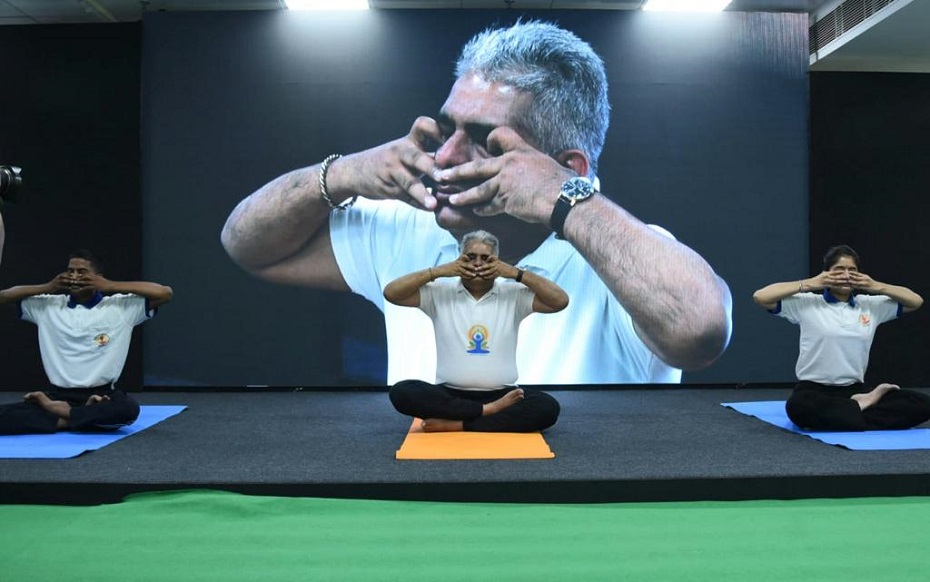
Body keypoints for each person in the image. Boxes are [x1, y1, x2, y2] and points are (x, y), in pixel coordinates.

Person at [221, 20, 732, 386]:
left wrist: (565, 197)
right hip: (427, 495)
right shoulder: (411, 227)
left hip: (572, 503)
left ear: (566, 168)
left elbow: (701, 332)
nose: (445, 155)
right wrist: (344, 174)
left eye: (483, 139)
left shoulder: (627, 256)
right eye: (448, 129)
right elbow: (247, 245)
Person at [385, 230, 567, 432]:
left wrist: (516, 273)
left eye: (486, 258)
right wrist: (439, 271)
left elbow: (559, 301)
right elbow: (392, 293)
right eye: (470, 257)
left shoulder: (514, 294)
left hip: (503, 394)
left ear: (498, 262)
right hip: (449, 394)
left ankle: (460, 423)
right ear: (458, 259)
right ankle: (486, 412)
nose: (478, 264)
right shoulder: (439, 292)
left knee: (546, 407)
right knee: (402, 392)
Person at [752, 244, 930, 431]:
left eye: (852, 270)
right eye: (839, 270)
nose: (846, 275)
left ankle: (851, 412)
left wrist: (876, 286)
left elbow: (915, 301)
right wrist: (810, 283)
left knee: (921, 403)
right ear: (826, 273)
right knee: (798, 407)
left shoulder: (870, 305)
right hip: (814, 391)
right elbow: (761, 297)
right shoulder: (807, 303)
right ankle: (859, 409)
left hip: (854, 390)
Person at [0, 249, 173, 435]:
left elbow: (164, 293)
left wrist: (110, 285)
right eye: (70, 271)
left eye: (82, 272)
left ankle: (62, 416)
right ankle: (78, 417)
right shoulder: (47, 306)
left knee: (127, 409)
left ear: (98, 277)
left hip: (101, 395)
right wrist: (48, 287)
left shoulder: (120, 307)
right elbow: (3, 297)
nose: (74, 277)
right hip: (57, 395)